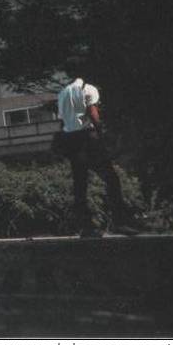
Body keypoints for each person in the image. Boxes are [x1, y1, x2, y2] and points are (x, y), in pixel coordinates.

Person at [55, 78, 141, 237]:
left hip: (70, 140)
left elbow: (62, 121)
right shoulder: (88, 88)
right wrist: (102, 134)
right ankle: (120, 221)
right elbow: (93, 112)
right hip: (88, 138)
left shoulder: (62, 94)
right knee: (111, 178)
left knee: (80, 184)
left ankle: (86, 227)